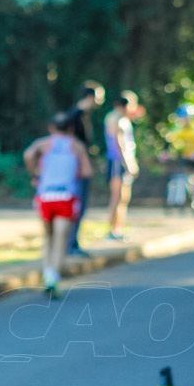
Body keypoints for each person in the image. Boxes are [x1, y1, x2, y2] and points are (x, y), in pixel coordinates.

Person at [23, 112, 93, 297]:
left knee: (48, 238)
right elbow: (87, 171)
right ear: (71, 128)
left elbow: (28, 154)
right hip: (66, 196)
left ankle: (47, 275)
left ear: (52, 128)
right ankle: (54, 278)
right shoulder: (76, 146)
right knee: (61, 240)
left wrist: (35, 174)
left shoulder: (43, 144)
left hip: (45, 196)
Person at [67, 81, 105, 257]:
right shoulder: (76, 115)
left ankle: (72, 243)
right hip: (77, 169)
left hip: (78, 167)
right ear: (91, 96)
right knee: (77, 205)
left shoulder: (80, 114)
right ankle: (71, 245)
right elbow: (74, 143)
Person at [162, 102, 194, 219]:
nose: (183, 121)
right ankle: (182, 199)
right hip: (186, 156)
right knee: (182, 176)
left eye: (185, 118)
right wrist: (165, 153)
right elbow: (169, 140)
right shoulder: (178, 128)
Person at [103, 91, 140, 241]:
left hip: (122, 161)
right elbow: (119, 143)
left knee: (124, 197)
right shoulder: (116, 119)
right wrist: (129, 163)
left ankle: (118, 229)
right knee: (117, 197)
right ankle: (112, 230)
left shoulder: (121, 119)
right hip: (117, 161)